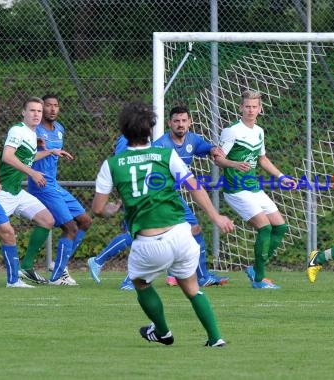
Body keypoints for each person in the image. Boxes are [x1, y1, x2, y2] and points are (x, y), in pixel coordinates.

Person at [92, 101, 235, 346]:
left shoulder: (112, 164)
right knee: (191, 288)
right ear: (151, 130)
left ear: (124, 132)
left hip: (149, 242)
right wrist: (215, 216)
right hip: (181, 235)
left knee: (140, 283)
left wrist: (112, 209)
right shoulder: (166, 154)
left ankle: (162, 331)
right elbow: (193, 186)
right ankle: (215, 338)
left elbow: (97, 209)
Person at [214, 90, 296, 289]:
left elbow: (262, 159)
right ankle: (259, 280)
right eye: (247, 106)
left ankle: (255, 269)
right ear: (241, 107)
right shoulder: (232, 130)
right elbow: (217, 158)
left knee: (280, 226)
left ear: (260, 108)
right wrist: (234, 164)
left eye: (254, 106)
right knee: (265, 227)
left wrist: (282, 177)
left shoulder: (259, 131)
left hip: (253, 187)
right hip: (235, 189)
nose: (251, 110)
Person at [0, 96, 76, 286]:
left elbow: (29, 157)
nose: (36, 114)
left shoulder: (32, 135)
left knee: (47, 220)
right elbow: (7, 157)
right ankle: (14, 279)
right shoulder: (17, 130)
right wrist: (32, 173)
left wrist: (50, 151)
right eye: (32, 110)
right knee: (7, 232)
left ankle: (23, 269)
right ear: (23, 112)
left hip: (16, 192)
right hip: (3, 192)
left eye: (39, 111)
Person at [152, 106, 228, 287]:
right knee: (189, 231)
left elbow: (207, 148)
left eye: (184, 121)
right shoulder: (161, 145)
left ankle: (178, 274)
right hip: (161, 196)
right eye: (176, 121)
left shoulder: (192, 140)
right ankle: (198, 276)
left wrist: (214, 150)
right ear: (169, 123)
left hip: (171, 196)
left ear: (190, 122)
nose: (180, 124)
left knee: (179, 234)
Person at [21, 94, 92, 285]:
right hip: (41, 186)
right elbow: (24, 154)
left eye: (56, 106)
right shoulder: (33, 131)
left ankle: (59, 264)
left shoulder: (60, 129)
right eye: (48, 106)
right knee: (70, 227)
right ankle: (58, 275)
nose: (52, 109)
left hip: (54, 184)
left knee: (85, 221)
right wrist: (38, 147)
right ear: (41, 108)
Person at [87, 134, 135, 290]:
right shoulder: (126, 139)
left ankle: (99, 261)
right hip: (135, 195)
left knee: (139, 236)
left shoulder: (148, 138)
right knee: (141, 235)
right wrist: (125, 193)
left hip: (146, 193)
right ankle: (129, 280)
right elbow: (119, 166)